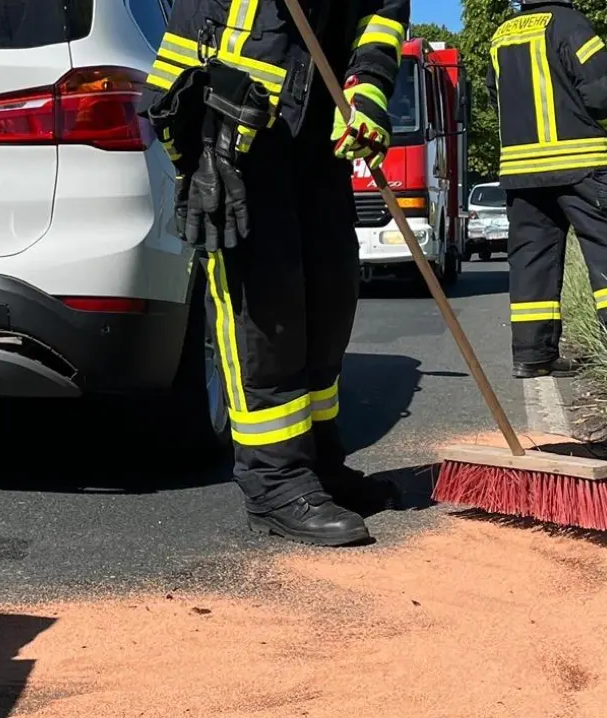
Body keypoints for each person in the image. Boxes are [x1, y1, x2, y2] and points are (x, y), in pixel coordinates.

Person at [142, 0, 412, 547]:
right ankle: (274, 483)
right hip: (235, 119)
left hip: (315, 126)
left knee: (329, 295)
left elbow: (380, 15)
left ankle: (317, 463)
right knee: (265, 307)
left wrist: (366, 93)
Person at [485, 0, 607, 379]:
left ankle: (532, 355)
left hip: (521, 171)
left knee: (531, 260)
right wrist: (604, 126)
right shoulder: (572, 25)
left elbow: (498, 99)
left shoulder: (500, 36)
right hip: (582, 161)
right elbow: (603, 93)